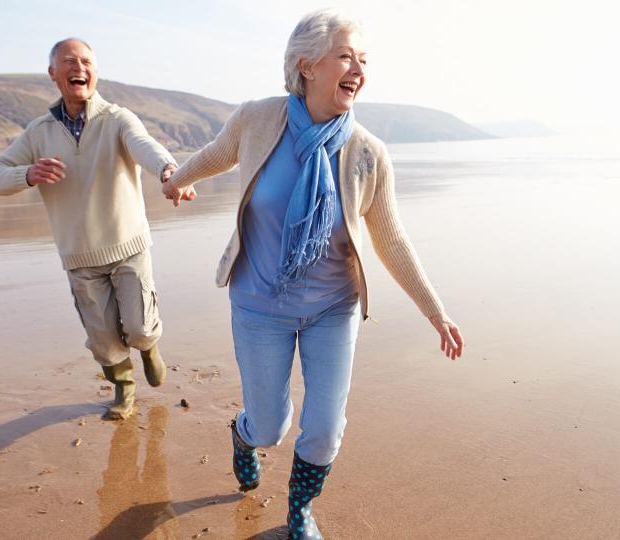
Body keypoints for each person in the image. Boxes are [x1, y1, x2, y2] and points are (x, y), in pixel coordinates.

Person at [163, 9, 464, 538]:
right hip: (259, 305)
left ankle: (299, 511)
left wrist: (435, 312)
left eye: (363, 60)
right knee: (269, 426)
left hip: (333, 308)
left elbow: (391, 239)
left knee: (324, 431)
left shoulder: (368, 153)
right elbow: (215, 156)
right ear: (306, 65)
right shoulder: (258, 120)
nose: (358, 69)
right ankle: (242, 434)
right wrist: (175, 180)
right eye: (346, 56)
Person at [0, 38, 196, 420]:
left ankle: (149, 348)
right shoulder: (39, 132)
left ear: (95, 71)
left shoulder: (117, 118)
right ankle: (124, 389)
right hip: (79, 255)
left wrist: (169, 171)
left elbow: (146, 145)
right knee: (104, 339)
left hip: (128, 245)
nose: (79, 67)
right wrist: (27, 174)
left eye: (86, 61)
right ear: (53, 74)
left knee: (140, 327)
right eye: (69, 61)